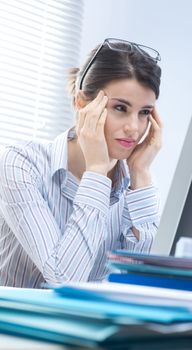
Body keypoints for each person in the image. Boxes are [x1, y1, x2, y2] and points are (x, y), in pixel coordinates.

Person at [0, 38, 162, 288]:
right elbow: (64, 279)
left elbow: (141, 283)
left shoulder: (132, 182)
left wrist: (141, 173)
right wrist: (96, 171)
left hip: (89, 326)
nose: (134, 128)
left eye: (144, 113)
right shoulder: (21, 163)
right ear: (81, 103)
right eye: (120, 108)